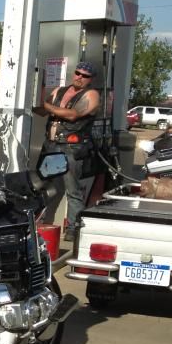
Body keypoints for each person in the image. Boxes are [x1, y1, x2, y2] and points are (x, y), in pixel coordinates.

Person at [33, 61, 101, 241]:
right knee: (41, 186)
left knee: (73, 191)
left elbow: (72, 115)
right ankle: (37, 223)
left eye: (85, 76)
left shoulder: (92, 95)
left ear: (91, 79)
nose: (79, 77)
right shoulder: (60, 91)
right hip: (51, 145)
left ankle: (73, 229)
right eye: (78, 73)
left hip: (71, 148)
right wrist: (32, 98)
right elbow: (42, 110)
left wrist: (46, 105)